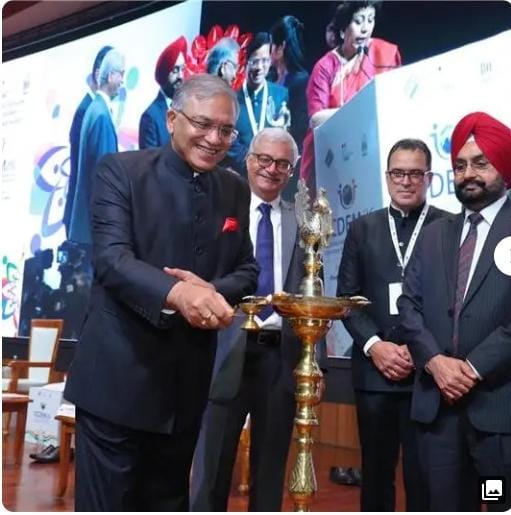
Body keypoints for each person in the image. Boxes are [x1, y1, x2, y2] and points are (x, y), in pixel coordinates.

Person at [63, 74, 259, 511]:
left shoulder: (233, 189)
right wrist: (179, 294)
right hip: (118, 384)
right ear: (172, 119)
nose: (214, 139)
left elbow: (247, 269)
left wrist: (209, 291)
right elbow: (112, 260)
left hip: (187, 390)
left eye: (226, 130)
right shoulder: (120, 171)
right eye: (203, 124)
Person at [397, 112, 511, 512]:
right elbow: (408, 306)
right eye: (460, 166)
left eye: (480, 163)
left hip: (499, 414)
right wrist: (435, 362)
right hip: (439, 413)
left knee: (496, 503)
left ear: (504, 165)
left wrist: (472, 369)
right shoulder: (434, 235)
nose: (468, 174)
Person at [190, 127, 304, 512]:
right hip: (225, 347)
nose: (272, 169)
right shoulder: (221, 211)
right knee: (212, 466)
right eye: (264, 160)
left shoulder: (303, 221)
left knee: (270, 469)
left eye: (282, 164)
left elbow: (312, 287)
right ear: (249, 160)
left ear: (292, 170)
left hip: (281, 356)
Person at [337, 138, 450, 511]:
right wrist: (376, 346)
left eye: (415, 173)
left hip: (428, 376)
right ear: (387, 177)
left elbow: (455, 302)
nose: (406, 181)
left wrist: (423, 351)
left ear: (429, 178)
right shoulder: (362, 229)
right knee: (375, 476)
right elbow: (348, 299)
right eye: (398, 173)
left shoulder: (449, 227)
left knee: (425, 478)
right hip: (375, 374)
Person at [300, 1, 401, 194]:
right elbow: (316, 119)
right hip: (331, 159)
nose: (365, 28)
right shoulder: (325, 67)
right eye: (358, 21)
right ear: (342, 28)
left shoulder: (384, 54)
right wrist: (360, 110)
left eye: (370, 20)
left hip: (375, 152)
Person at [68, 48, 125, 246]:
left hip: (88, 228)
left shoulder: (94, 108)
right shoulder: (100, 114)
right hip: (96, 231)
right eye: (121, 74)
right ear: (110, 76)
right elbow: (104, 178)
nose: (123, 81)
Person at [227, 32, 289, 176]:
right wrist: (257, 166)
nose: (259, 67)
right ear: (246, 62)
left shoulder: (281, 95)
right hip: (240, 179)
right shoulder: (232, 100)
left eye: (265, 61)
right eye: (254, 61)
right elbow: (230, 145)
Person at [270, 15, 309, 202]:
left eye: (271, 44)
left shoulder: (301, 81)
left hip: (290, 166)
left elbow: (301, 126)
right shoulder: (269, 81)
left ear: (281, 47)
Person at [138, 36, 187, 149]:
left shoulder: (187, 107)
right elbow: (149, 159)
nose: (181, 76)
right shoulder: (150, 117)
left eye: (182, 69)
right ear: (164, 74)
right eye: (175, 70)